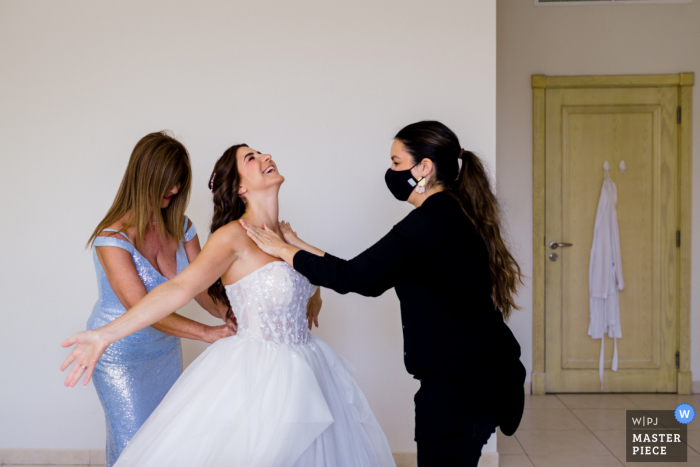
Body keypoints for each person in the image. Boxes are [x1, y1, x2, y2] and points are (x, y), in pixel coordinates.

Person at [61, 144, 396, 467]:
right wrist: (105, 335)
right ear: (239, 187)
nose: (267, 156)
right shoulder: (231, 238)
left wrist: (311, 289)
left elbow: (328, 274)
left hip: (309, 364)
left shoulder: (284, 235)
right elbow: (180, 287)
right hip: (257, 369)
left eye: (262, 152)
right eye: (251, 157)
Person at [241, 121, 527, 467]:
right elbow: (367, 272)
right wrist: (296, 244)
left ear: (423, 168)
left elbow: (355, 278)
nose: (390, 172)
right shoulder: (450, 213)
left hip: (462, 385)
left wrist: (284, 251)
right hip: (478, 375)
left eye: (396, 162)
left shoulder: (427, 224)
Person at [80, 131, 236, 467]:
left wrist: (229, 315)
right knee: (134, 447)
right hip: (120, 356)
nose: (176, 190)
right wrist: (207, 333)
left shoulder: (183, 227)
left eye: (180, 182)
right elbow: (144, 310)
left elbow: (201, 287)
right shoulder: (111, 240)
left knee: (168, 444)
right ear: (144, 178)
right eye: (169, 181)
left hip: (165, 353)